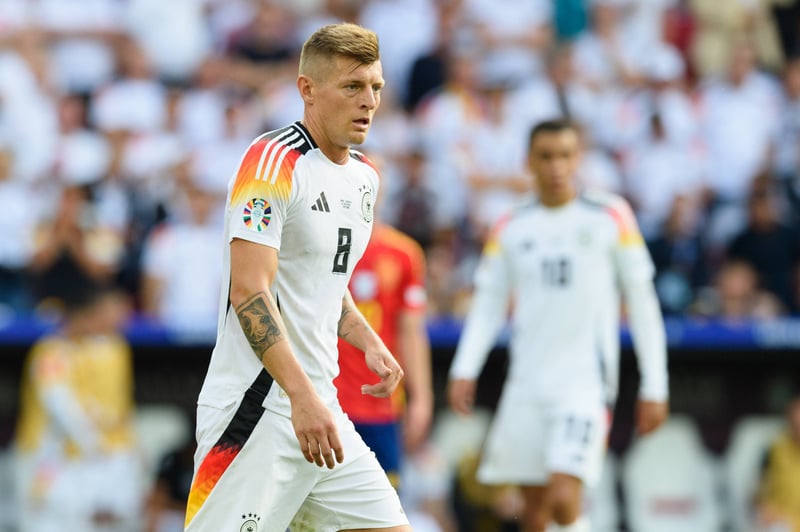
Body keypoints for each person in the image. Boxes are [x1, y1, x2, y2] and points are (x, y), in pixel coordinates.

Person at [183, 23, 411, 532]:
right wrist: (300, 398)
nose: (369, 101)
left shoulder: (364, 178)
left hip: (321, 411)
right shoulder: (271, 163)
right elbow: (249, 292)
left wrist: (366, 338)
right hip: (256, 412)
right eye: (352, 87)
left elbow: (323, 281)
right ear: (307, 89)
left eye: (375, 87)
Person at [447, 119, 670, 532]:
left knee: (564, 498)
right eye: (546, 157)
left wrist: (655, 385)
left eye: (565, 156)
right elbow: (489, 304)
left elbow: (643, 303)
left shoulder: (610, 215)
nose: (556, 167)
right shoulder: (510, 223)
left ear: (578, 159)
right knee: (533, 513)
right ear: (528, 162)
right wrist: (465, 367)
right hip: (527, 384)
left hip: (585, 385)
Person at [13, 286, 142, 532]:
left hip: (72, 454)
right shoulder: (51, 350)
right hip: (44, 453)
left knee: (79, 520)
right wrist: (91, 442)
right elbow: (58, 404)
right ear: (84, 316)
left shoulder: (99, 348)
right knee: (43, 521)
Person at [334, 211, 434, 488]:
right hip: (327, 403)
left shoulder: (404, 253)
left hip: (382, 406)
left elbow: (411, 331)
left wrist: (421, 397)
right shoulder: (323, 240)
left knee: (384, 502)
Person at [755, 396, 800, 532]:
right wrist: (764, 508)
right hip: (783, 522)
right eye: (795, 423)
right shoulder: (775, 450)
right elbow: (760, 490)